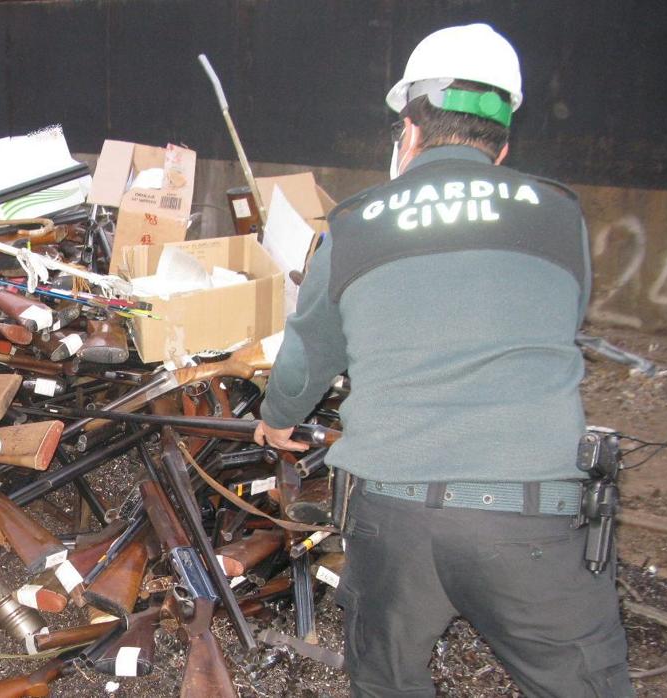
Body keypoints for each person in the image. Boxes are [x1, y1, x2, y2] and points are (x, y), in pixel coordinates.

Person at [254, 23, 634, 698]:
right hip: (533, 515)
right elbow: (558, 320)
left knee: (388, 681)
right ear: (503, 142)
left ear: (408, 131)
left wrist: (277, 419)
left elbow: (310, 350)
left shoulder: (354, 223)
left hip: (393, 517)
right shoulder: (558, 215)